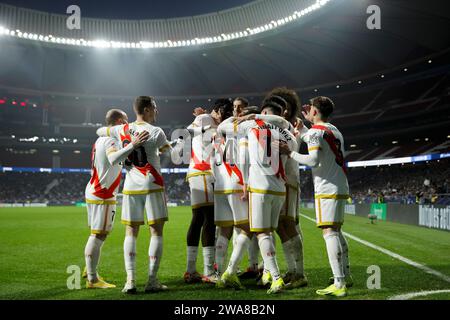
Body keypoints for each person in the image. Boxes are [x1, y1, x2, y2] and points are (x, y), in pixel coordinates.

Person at [216, 96, 297, 294]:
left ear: (265, 113)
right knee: (264, 231)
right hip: (279, 188)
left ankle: (275, 278)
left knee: (261, 233)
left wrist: (244, 117)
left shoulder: (250, 126)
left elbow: (221, 128)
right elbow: (291, 149)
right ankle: (230, 272)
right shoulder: (287, 132)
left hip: (259, 186)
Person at [277, 96, 352, 297]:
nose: (306, 110)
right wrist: (302, 130)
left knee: (329, 232)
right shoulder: (334, 129)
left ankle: (339, 282)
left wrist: (289, 152)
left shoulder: (316, 133)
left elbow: (312, 160)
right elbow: (313, 138)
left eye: (309, 108)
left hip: (327, 187)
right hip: (339, 183)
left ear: (316, 112)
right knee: (336, 230)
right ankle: (346, 275)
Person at [97, 96, 172, 294]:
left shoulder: (120, 129)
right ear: (147, 109)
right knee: (156, 231)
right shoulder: (156, 131)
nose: (156, 112)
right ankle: (152, 280)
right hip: (152, 183)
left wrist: (126, 139)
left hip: (130, 185)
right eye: (154, 108)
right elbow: (168, 150)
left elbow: (99, 131)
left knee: (131, 232)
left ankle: (130, 281)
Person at [84, 109, 149, 289]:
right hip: (103, 193)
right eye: (126, 121)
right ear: (120, 120)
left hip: (95, 189)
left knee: (96, 233)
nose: (127, 126)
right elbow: (113, 158)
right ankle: (92, 279)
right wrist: (132, 145)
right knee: (99, 235)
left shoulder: (100, 139)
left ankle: (89, 268)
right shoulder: (111, 139)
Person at [184, 99, 234, 284]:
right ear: (219, 110)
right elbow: (188, 131)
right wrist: (205, 126)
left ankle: (191, 271)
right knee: (209, 220)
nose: (227, 117)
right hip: (202, 170)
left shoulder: (216, 123)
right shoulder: (205, 118)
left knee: (198, 220)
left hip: (205, 172)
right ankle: (207, 272)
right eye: (227, 113)